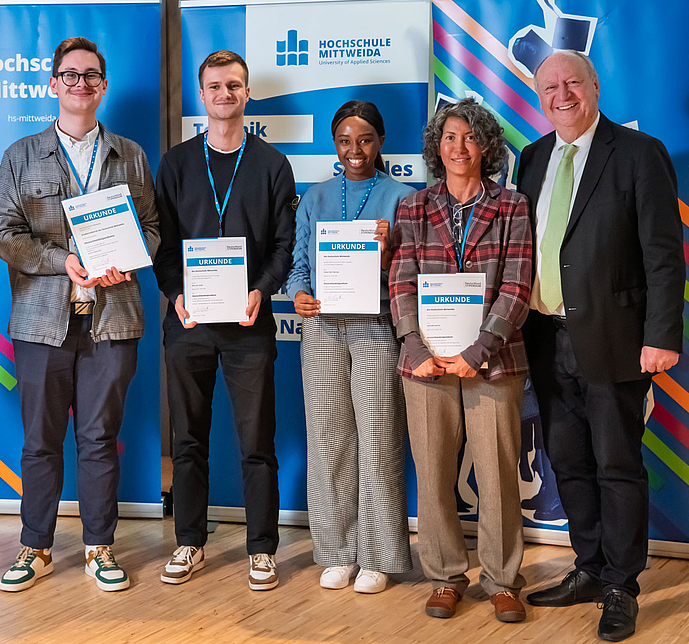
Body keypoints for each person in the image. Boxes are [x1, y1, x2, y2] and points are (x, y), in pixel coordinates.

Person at [518, 50, 683, 642]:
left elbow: (664, 254)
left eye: (573, 83)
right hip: (544, 335)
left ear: (594, 86)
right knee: (569, 462)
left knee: (617, 464)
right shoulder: (532, 159)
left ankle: (621, 585)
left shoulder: (639, 153)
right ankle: (588, 567)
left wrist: (662, 335)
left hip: (615, 339)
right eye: (549, 86)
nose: (561, 94)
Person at [0, 36, 159, 594]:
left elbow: (153, 230)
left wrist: (131, 258)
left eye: (90, 76)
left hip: (113, 317)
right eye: (69, 75)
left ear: (102, 86)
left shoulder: (130, 154)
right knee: (39, 440)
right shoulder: (20, 155)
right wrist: (65, 262)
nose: (79, 84)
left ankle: (98, 548)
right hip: (42, 321)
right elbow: (2, 235)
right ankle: (34, 548)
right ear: (53, 85)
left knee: (99, 438)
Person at [153, 50, 296, 591]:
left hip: (249, 324)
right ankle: (189, 542)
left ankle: (262, 549)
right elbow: (162, 242)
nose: (224, 94)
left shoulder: (271, 165)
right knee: (188, 439)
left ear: (246, 92)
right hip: (188, 322)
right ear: (201, 93)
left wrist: (262, 290)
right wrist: (175, 293)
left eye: (234, 85)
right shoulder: (176, 163)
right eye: (214, 86)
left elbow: (284, 247)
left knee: (257, 441)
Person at [388, 98, 534, 624]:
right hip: (424, 364)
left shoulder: (513, 206)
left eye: (470, 137)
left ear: (486, 147)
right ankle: (445, 576)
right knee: (432, 473)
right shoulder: (412, 207)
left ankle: (501, 580)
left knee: (496, 475)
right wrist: (413, 346)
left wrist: (477, 352)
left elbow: (517, 288)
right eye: (450, 137)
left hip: (493, 361)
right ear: (436, 146)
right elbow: (400, 282)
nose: (459, 147)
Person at [286, 101, 414, 594]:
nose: (354, 150)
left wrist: (388, 253)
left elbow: (414, 269)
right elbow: (300, 263)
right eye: (344, 140)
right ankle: (338, 552)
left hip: (377, 326)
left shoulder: (403, 198)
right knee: (327, 443)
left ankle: (378, 557)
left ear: (380, 141)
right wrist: (299, 294)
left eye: (364, 139)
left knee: (379, 442)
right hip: (321, 330)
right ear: (334, 145)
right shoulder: (315, 197)